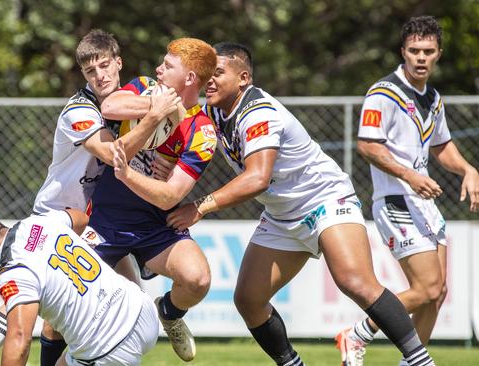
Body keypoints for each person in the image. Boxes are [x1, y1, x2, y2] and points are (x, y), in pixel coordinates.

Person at [166, 42, 437, 366]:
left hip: (323, 199)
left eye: (219, 73)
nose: (210, 80)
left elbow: (257, 179)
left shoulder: (258, 112)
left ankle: (421, 362)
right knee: (249, 300)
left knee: (355, 282)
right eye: (208, 73)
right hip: (282, 215)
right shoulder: (213, 111)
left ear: (243, 78)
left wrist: (199, 207)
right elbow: (176, 125)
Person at [0, 29, 182, 366]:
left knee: (129, 298)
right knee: (43, 306)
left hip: (95, 217)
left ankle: (167, 313)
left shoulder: (127, 103)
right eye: (90, 71)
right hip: (57, 214)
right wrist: (155, 114)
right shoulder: (78, 110)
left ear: (118, 63)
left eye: (105, 66)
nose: (100, 76)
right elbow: (113, 155)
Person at [335, 16, 479, 366]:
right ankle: (357, 333)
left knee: (437, 294)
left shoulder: (433, 97)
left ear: (438, 54)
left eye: (428, 51)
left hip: (424, 202)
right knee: (426, 288)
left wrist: (467, 169)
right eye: (414, 50)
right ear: (403, 51)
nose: (420, 57)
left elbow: (442, 147)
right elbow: (368, 146)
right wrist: (409, 176)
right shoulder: (383, 93)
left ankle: (411, 362)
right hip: (397, 200)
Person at [88, 37, 217, 362]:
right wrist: (159, 110)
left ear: (189, 78)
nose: (158, 69)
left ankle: (170, 313)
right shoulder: (145, 85)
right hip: (104, 220)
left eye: (168, 66)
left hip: (155, 226)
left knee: (197, 279)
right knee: (67, 310)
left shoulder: (202, 131)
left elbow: (170, 196)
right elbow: (110, 106)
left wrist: (128, 173)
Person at [0, 209, 159, 366]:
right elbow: (81, 218)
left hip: (110, 348)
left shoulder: (13, 272)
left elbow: (19, 339)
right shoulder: (39, 222)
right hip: (143, 311)